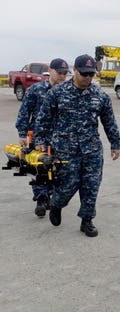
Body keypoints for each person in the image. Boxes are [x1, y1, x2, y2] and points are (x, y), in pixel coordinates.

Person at [34, 54, 120, 237]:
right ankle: (57, 204)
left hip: (92, 149)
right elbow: (44, 118)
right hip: (65, 149)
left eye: (91, 74)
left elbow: (109, 122)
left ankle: (87, 220)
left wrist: (115, 143)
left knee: (91, 185)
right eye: (84, 74)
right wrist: (40, 140)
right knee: (67, 185)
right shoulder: (57, 92)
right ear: (75, 70)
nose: (88, 78)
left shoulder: (100, 96)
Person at [15, 58, 69, 217]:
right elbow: (25, 111)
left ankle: (51, 196)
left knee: (57, 168)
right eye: (59, 73)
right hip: (38, 135)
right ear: (50, 70)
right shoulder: (36, 90)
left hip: (60, 137)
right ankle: (41, 199)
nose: (62, 76)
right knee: (39, 167)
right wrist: (22, 133)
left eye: (65, 74)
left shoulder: (67, 91)